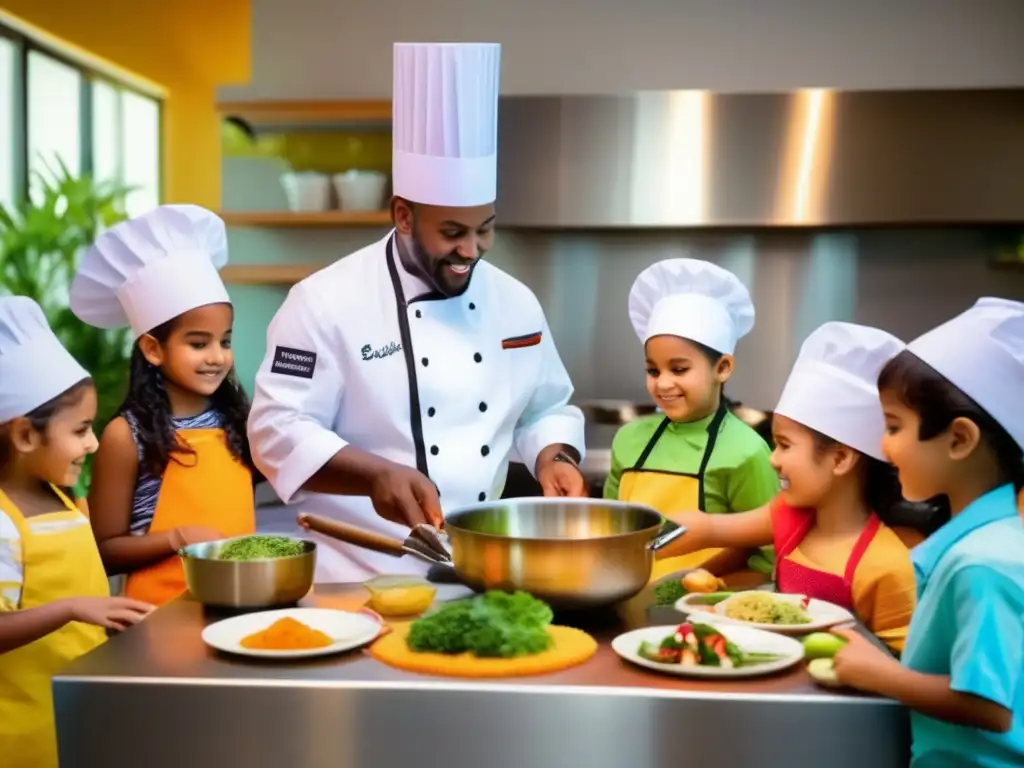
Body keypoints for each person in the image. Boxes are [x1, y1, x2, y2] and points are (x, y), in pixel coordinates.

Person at [248, 42, 586, 582]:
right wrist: (373, 474)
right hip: (361, 578)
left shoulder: (515, 301)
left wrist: (555, 456)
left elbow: (545, 408)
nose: (471, 250)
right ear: (402, 216)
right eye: (451, 233)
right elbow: (275, 429)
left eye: (484, 229)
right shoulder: (323, 302)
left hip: (485, 572)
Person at [831, 298, 1024, 766]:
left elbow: (989, 708)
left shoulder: (983, 564)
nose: (883, 444)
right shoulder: (984, 541)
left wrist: (879, 673)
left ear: (959, 439)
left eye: (894, 426)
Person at [661, 322, 932, 653]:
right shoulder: (790, 516)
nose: (773, 460)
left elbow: (904, 665)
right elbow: (708, 527)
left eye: (785, 446)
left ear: (841, 458)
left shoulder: (887, 566)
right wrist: (643, 542)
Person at [69, 204, 257, 606]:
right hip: (155, 616)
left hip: (240, 603)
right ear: (153, 349)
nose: (216, 356)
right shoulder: (127, 436)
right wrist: (177, 538)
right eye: (197, 343)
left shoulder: (236, 419)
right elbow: (103, 551)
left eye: (224, 341)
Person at [0, 297, 152, 768]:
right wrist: (71, 608)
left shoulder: (66, 499)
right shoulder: (4, 522)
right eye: (81, 429)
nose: (92, 441)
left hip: (76, 718)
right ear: (25, 436)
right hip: (24, 735)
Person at [605, 258, 778, 584]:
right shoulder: (628, 440)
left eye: (679, 369)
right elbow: (610, 535)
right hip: (623, 594)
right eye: (653, 370)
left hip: (700, 609)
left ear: (723, 368)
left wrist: (680, 592)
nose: (663, 383)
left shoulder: (747, 452)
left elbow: (764, 559)